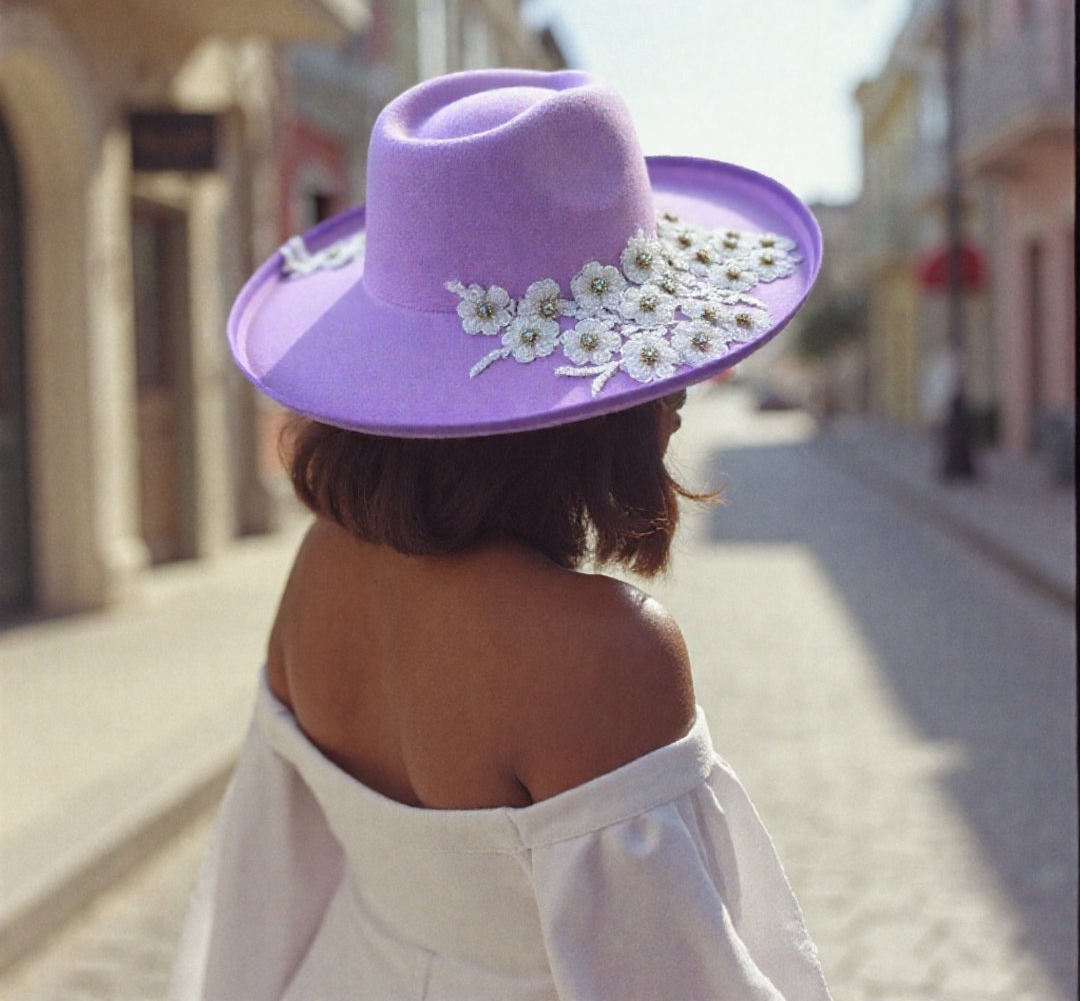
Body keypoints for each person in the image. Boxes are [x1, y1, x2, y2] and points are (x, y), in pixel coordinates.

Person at [171, 68, 831, 999]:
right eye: (652, 344)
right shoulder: (601, 652)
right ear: (587, 397)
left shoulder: (321, 563)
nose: (675, 387)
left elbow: (264, 884)